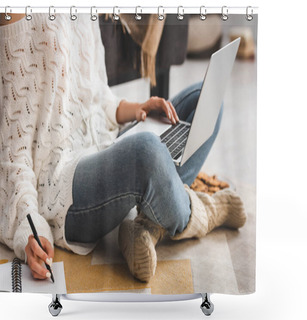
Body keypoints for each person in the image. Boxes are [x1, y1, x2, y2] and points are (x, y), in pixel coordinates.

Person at [0, 13, 246, 283]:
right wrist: (30, 229)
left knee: (204, 100)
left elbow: (97, 95)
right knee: (147, 152)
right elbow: (12, 151)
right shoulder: (14, 16)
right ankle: (204, 212)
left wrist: (137, 108)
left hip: (106, 142)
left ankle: (146, 227)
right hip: (62, 183)